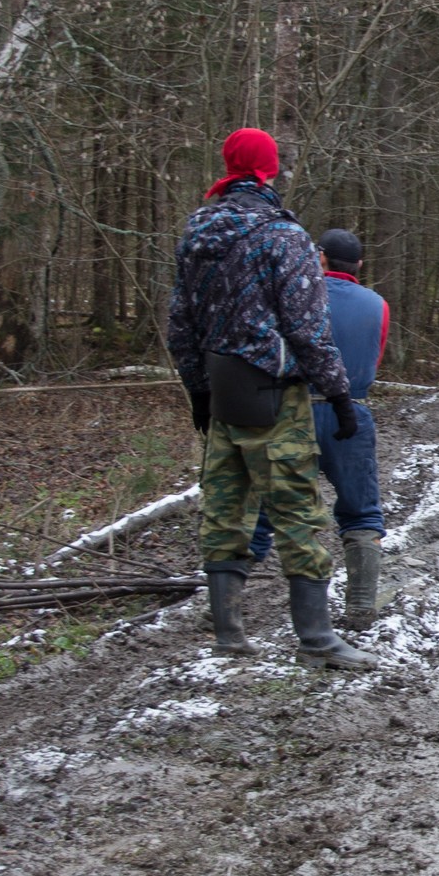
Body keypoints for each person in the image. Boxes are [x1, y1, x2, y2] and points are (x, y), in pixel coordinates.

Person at [165, 127, 378, 670]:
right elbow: (308, 328)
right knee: (298, 513)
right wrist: (339, 393)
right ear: (269, 170)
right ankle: (317, 640)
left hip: (221, 392)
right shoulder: (283, 236)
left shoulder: (195, 232)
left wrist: (198, 391)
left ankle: (229, 635)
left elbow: (180, 324)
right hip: (274, 394)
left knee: (224, 511)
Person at [248, 227, 389, 629]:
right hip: (352, 413)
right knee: (361, 512)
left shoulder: (292, 296)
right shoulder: (378, 305)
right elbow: (374, 360)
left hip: (291, 413)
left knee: (261, 508)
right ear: (359, 265)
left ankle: (222, 606)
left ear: (320, 257)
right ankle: (360, 606)